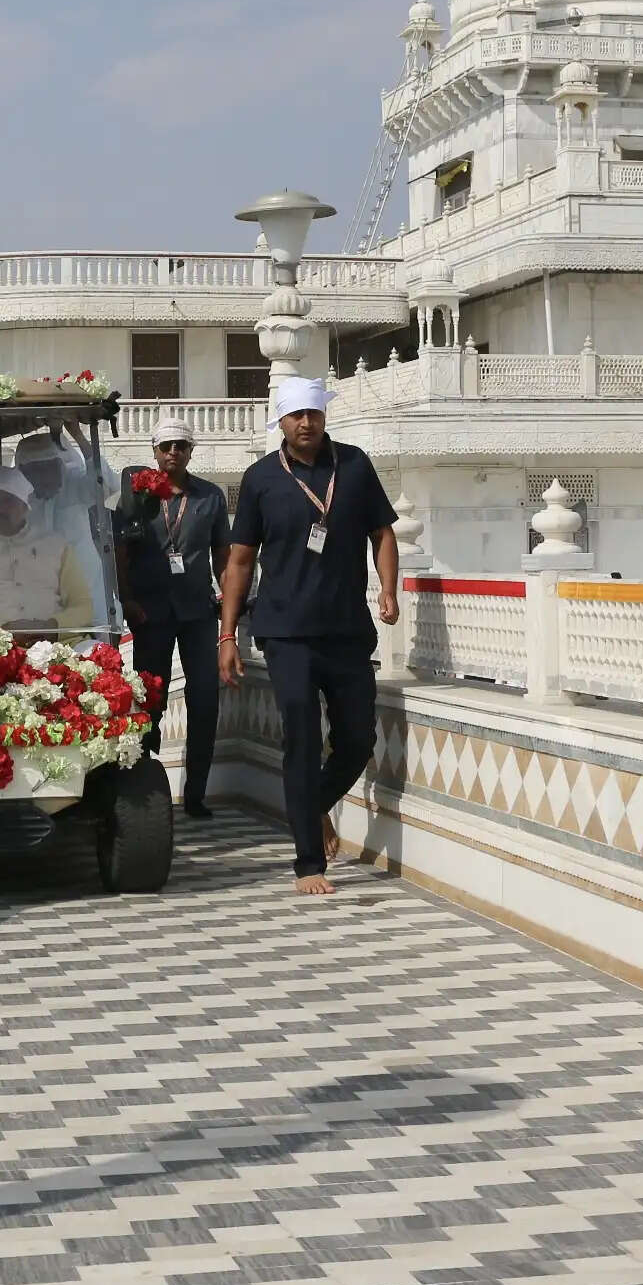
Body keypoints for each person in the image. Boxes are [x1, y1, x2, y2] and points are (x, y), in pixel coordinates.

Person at [219, 376, 399, 897]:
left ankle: (312, 803)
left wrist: (389, 590)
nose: (306, 423)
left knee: (358, 741)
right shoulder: (260, 478)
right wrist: (227, 635)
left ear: (323, 417)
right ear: (281, 420)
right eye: (297, 415)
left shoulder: (355, 464)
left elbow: (383, 533)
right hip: (285, 631)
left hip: (346, 629)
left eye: (313, 414)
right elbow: (240, 560)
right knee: (300, 738)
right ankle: (307, 863)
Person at [116, 417, 228, 818]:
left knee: (205, 698)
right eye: (166, 446)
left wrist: (230, 603)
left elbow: (223, 555)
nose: (173, 453)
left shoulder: (210, 496)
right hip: (152, 612)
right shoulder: (137, 494)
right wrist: (127, 600)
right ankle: (145, 791)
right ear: (155, 451)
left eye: (181, 446)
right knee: (150, 699)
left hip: (198, 611)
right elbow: (121, 552)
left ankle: (195, 794)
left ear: (191, 451)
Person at [0, 467, 92, 634]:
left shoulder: (56, 545)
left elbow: (83, 606)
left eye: (8, 500)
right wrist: (3, 631)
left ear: (25, 506)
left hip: (59, 641)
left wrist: (51, 626)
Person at [15, 431, 111, 633]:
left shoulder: (74, 484)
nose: (44, 477)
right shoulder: (14, 505)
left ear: (59, 465)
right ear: (22, 473)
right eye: (35, 471)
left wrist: (80, 437)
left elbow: (107, 487)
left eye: (49, 468)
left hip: (90, 602)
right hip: (40, 611)